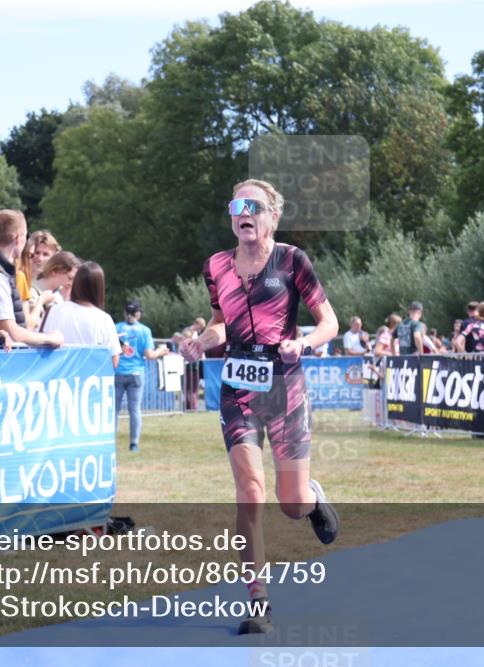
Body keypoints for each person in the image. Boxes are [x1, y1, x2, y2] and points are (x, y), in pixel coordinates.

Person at [178, 179, 340, 635]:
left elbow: (330, 321)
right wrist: (201, 343)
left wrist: (303, 342)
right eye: (236, 205)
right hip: (239, 388)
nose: (243, 212)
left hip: (285, 384)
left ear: (272, 215)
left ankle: (312, 497)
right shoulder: (216, 265)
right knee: (250, 490)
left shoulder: (292, 261)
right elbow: (220, 323)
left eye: (254, 206)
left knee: (290, 504)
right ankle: (258, 600)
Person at [0, 209, 63, 348]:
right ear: (19, 239)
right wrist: (50, 338)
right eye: (26, 236)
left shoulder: (0, 272)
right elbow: (13, 333)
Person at [115, 299, 169, 452]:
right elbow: (150, 355)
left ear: (125, 312)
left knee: (115, 410)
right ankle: (134, 444)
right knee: (135, 409)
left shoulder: (116, 328)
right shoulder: (144, 330)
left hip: (118, 372)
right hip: (136, 373)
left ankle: (110, 442)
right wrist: (161, 351)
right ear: (138, 314)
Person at [41, 262, 120, 366]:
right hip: (88, 377)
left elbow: (42, 345)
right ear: (99, 287)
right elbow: (114, 361)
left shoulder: (54, 310)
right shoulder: (103, 319)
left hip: (56, 377)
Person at [19, 231, 63, 327]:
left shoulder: (59, 286)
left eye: (45, 254)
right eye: (36, 253)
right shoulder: (20, 279)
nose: (39, 258)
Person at [31, 251, 81, 329]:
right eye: (70, 278)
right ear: (54, 271)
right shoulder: (31, 291)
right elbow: (29, 326)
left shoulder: (58, 296)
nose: (72, 283)